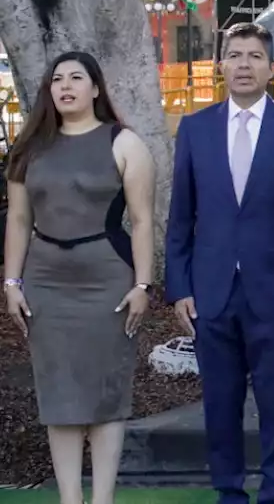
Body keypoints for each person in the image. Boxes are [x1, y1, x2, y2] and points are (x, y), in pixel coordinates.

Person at [165, 22, 274, 504]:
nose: (243, 64)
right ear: (220, 65)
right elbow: (180, 217)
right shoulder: (195, 129)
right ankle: (229, 493)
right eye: (234, 55)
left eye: (254, 56)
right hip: (211, 291)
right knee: (220, 405)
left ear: (272, 69)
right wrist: (179, 287)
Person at [3, 51, 156, 504]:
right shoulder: (29, 149)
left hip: (108, 281)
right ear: (49, 90)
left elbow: (143, 221)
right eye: (57, 79)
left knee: (105, 394)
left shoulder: (124, 142)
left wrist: (143, 285)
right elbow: (16, 220)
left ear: (95, 88)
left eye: (76, 77)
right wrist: (11, 283)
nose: (65, 85)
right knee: (61, 395)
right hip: (46, 285)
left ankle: (102, 498)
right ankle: (70, 498)